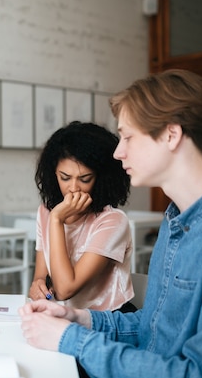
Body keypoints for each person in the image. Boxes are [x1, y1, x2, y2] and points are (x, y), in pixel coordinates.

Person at [19, 69, 202, 378]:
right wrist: (76, 318)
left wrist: (70, 339)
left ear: (171, 135)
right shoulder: (175, 220)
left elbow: (201, 373)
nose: (118, 151)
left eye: (128, 136)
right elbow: (149, 328)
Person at [29, 121, 134, 312]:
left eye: (85, 179)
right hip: (65, 317)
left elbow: (65, 289)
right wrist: (38, 286)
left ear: (100, 178)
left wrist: (56, 220)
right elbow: (41, 277)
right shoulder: (45, 211)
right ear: (54, 175)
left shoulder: (113, 221)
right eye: (65, 177)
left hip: (108, 322)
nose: (74, 188)